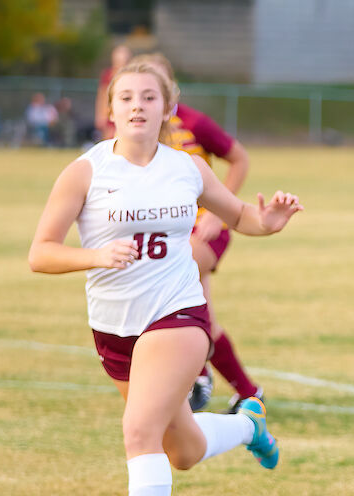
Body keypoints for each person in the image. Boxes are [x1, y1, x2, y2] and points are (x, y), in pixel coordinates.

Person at [28, 60, 302, 496]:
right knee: (183, 450)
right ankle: (248, 427)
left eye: (148, 97)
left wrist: (269, 220)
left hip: (177, 316)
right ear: (110, 110)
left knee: (138, 433)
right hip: (114, 333)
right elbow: (41, 253)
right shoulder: (84, 172)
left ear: (167, 108)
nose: (136, 105)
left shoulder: (187, 169)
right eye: (125, 96)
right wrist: (94, 255)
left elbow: (242, 216)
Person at [130, 53, 263, 413]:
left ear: (170, 93)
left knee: (171, 298)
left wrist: (218, 216)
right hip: (165, 236)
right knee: (201, 316)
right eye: (132, 93)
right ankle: (245, 392)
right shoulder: (131, 135)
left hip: (202, 232)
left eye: (152, 91)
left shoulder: (193, 122)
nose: (141, 101)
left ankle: (197, 375)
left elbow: (239, 158)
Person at [94, 44, 132, 140]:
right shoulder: (108, 75)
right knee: (109, 139)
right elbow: (102, 95)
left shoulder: (132, 75)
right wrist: (100, 115)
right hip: (110, 112)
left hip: (126, 112)